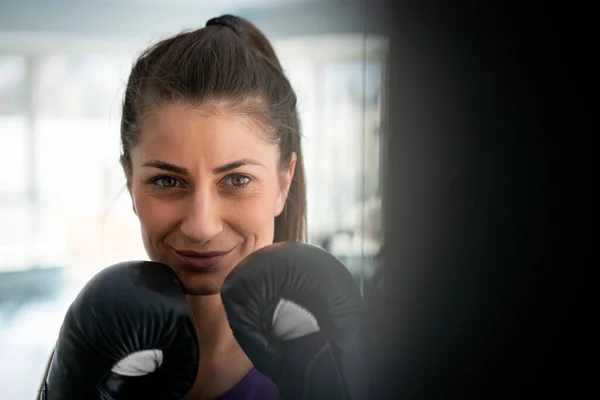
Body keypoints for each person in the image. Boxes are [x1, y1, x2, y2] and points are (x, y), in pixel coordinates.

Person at [38, 14, 365, 400]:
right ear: (130, 180)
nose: (201, 226)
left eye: (237, 180)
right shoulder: (100, 347)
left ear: (283, 181)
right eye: (166, 180)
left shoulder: (326, 353)